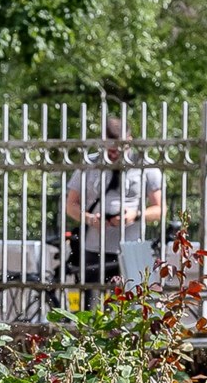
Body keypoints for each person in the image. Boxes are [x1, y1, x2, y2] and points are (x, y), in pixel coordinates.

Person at [62, 118, 166, 300]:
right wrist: (89, 218)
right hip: (94, 247)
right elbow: (70, 205)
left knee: (135, 302)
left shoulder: (145, 165)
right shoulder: (89, 164)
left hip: (132, 246)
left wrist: (136, 215)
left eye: (118, 148)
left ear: (129, 140)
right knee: (91, 305)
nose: (114, 154)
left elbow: (160, 209)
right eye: (109, 149)